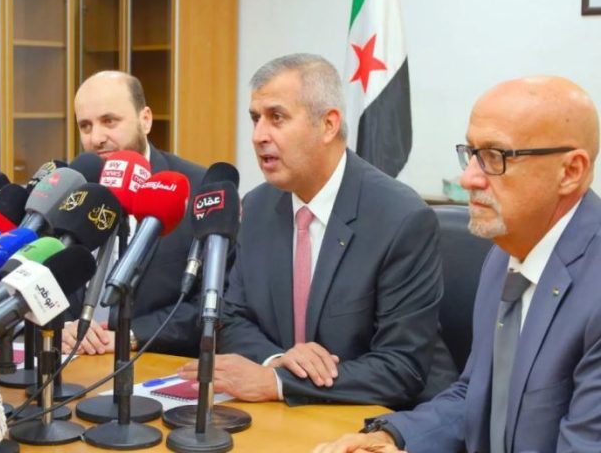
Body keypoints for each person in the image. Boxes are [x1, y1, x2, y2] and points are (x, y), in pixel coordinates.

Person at [312, 76, 601, 453]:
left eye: (495, 156)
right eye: (472, 153)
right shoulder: (504, 253)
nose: (468, 178)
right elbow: (476, 396)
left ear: (571, 171)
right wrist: (390, 438)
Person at [178, 53, 457, 406]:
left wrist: (279, 382)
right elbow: (231, 317)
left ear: (328, 124)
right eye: (255, 119)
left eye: (277, 117)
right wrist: (276, 361)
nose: (259, 136)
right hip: (289, 415)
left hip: (382, 417)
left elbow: (401, 366)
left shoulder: (400, 218)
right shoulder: (257, 206)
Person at [61, 70, 206, 357]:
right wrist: (60, 326)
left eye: (109, 121)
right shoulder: (70, 186)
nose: (96, 138)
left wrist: (131, 336)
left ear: (145, 120)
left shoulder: (198, 187)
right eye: (85, 126)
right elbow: (47, 278)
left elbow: (213, 301)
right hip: (72, 360)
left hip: (151, 361)